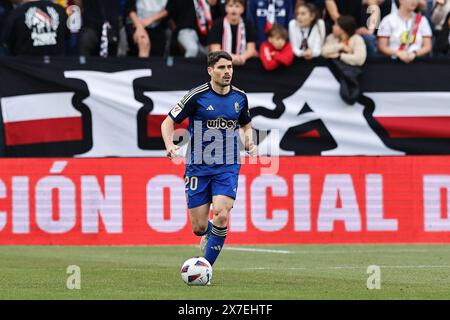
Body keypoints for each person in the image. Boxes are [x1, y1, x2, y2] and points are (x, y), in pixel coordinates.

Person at [160, 51, 257, 270]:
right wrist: (169, 144)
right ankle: (208, 233)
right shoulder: (196, 96)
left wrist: (249, 143)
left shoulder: (240, 97)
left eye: (230, 67)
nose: (227, 72)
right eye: (222, 68)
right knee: (199, 226)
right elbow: (167, 122)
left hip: (227, 165)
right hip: (198, 166)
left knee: (222, 213)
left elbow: (246, 125)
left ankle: (205, 268)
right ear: (210, 70)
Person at [322, 15, 367, 104]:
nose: (333, 27)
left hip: (351, 74)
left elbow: (360, 59)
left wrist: (339, 56)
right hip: (333, 76)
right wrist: (341, 46)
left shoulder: (357, 39)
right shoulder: (331, 37)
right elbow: (323, 52)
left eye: (336, 25)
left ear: (342, 29)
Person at [1, 0, 68, 56]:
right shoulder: (60, 10)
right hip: (56, 67)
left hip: (24, 68)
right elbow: (68, 37)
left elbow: (6, 42)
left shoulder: (16, 13)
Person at [208, 0, 257, 65]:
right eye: (230, 6)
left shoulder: (248, 25)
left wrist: (242, 57)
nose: (233, 9)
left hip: (242, 62)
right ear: (226, 8)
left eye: (237, 6)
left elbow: (251, 49)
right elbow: (215, 50)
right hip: (222, 62)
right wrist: (231, 57)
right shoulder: (217, 24)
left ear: (242, 9)